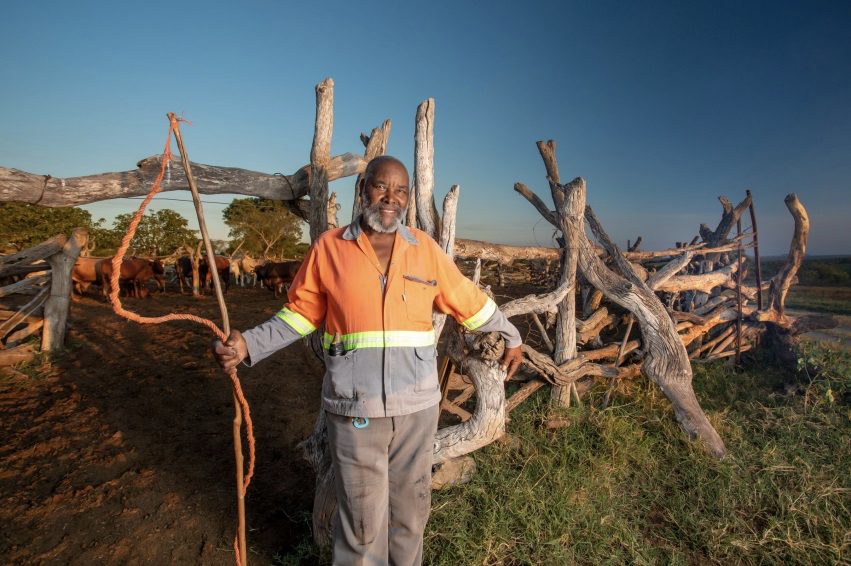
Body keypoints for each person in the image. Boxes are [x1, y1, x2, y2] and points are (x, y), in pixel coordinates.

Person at [213, 155, 522, 565]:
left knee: (410, 515)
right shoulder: (329, 249)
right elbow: (300, 313)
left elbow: (468, 300)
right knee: (360, 524)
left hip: (416, 409)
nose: (390, 198)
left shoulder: (424, 251)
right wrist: (248, 345)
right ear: (363, 191)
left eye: (400, 191)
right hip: (354, 408)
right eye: (381, 187)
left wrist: (509, 333)